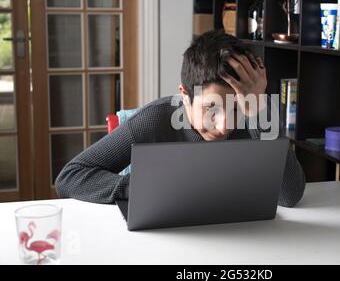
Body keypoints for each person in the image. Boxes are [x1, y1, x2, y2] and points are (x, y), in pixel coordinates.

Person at [55, 30, 306, 207]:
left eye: (238, 107)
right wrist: (142, 187)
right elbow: (70, 177)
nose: (225, 126)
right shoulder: (155, 119)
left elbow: (290, 195)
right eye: (212, 108)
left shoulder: (255, 115)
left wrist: (258, 108)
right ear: (185, 96)